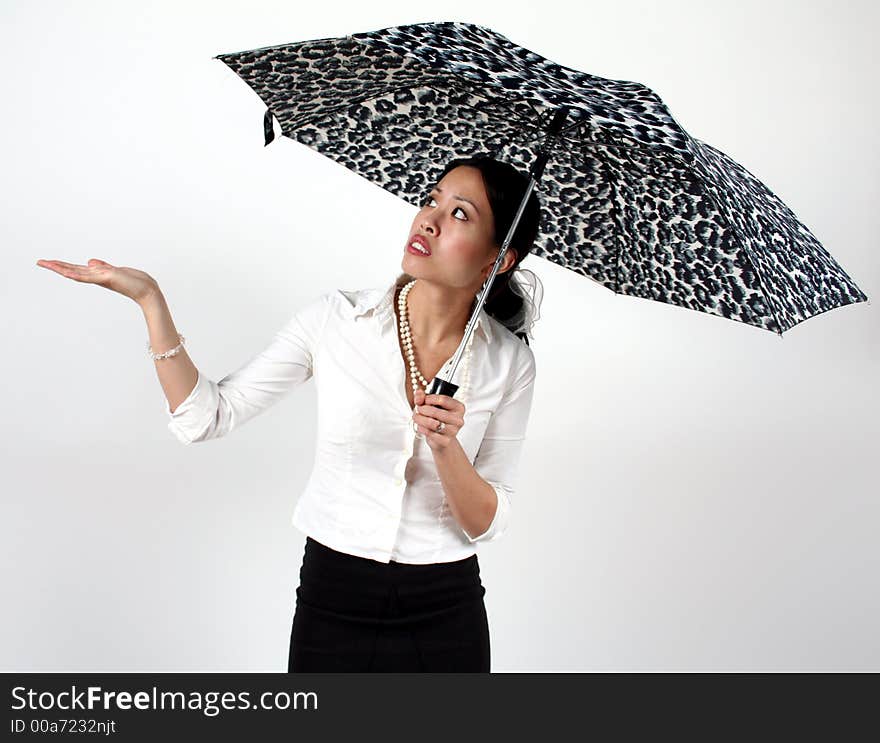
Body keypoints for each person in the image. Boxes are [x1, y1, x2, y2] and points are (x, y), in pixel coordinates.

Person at [35, 153, 544, 672]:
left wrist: (446, 448)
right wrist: (150, 300)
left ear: (498, 260)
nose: (428, 220)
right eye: (431, 199)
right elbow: (207, 416)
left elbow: (488, 523)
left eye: (460, 214)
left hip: (446, 609)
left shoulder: (510, 363)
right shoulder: (336, 321)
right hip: (335, 598)